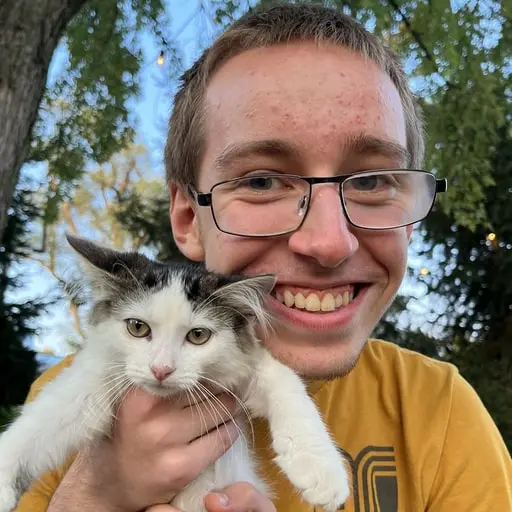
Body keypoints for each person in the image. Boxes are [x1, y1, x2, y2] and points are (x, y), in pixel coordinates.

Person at [16, 3, 511, 512]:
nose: (328, 242)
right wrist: (90, 497)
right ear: (188, 218)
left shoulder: (440, 415)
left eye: (370, 182)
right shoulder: (70, 400)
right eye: (261, 181)